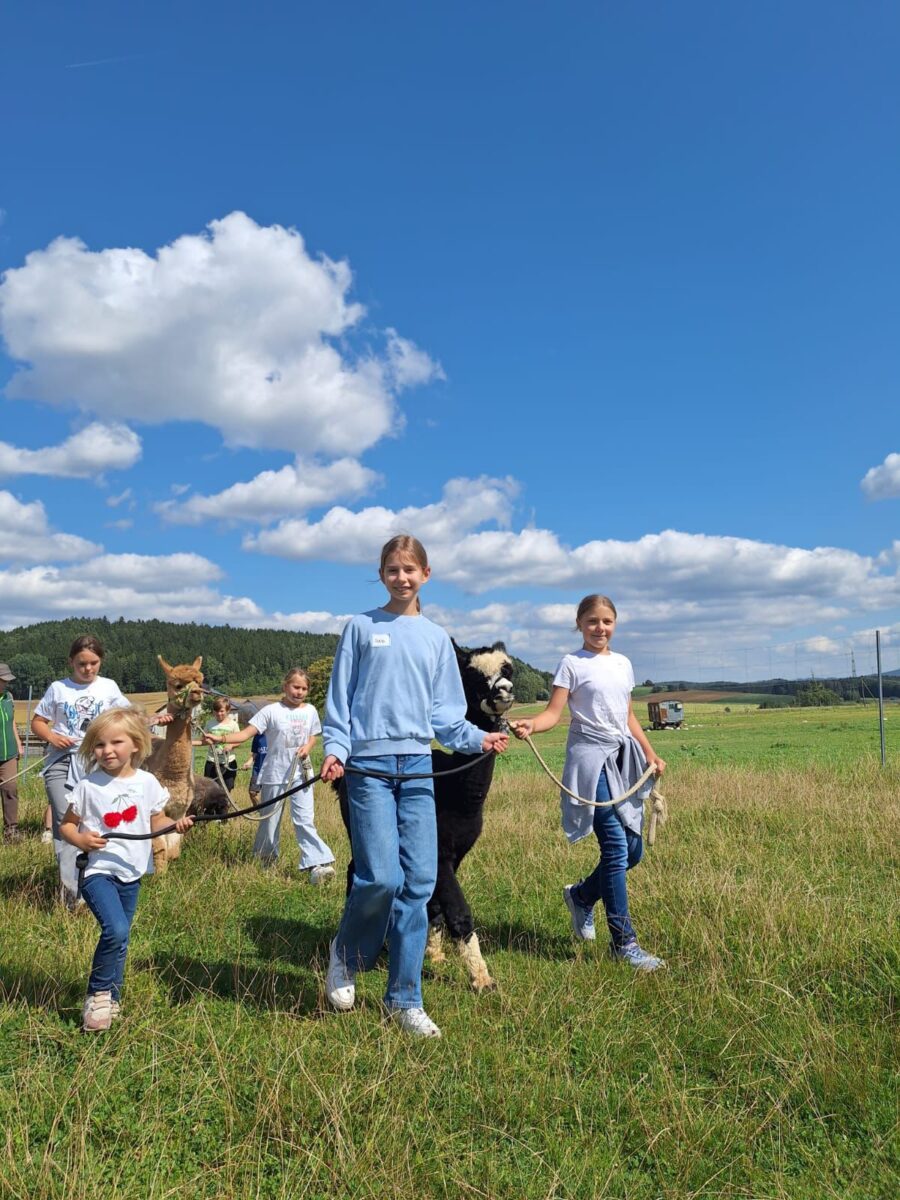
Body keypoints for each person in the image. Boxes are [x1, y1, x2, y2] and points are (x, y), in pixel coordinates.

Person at [320, 534, 509, 1038]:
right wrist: (336, 750)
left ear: (426, 574)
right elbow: (339, 701)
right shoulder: (361, 627)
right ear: (381, 574)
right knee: (380, 877)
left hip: (417, 765)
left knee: (420, 882)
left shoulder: (434, 638)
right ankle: (347, 951)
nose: (401, 577)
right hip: (368, 766)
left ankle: (405, 999)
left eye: (410, 569)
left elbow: (446, 718)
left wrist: (479, 738)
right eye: (392, 569)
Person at [512, 594, 666, 971]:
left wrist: (650, 752)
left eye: (607, 621)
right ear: (579, 624)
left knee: (633, 852)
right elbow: (553, 713)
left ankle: (581, 897)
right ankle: (624, 944)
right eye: (592, 621)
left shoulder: (623, 664)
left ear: (615, 624)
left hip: (622, 758)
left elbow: (627, 715)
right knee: (615, 846)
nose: (600, 628)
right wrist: (531, 724)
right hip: (589, 762)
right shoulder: (571, 664)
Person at [59, 707, 193, 1031]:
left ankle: (112, 998)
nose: (106, 751)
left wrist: (175, 824)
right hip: (97, 872)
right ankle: (98, 994)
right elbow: (66, 827)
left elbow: (155, 821)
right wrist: (81, 839)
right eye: (99, 745)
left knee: (121, 937)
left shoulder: (146, 783)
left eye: (115, 742)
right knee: (115, 930)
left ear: (135, 744)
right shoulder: (88, 786)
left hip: (132, 872)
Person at [206, 669, 335, 882]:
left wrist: (307, 747)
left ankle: (317, 864)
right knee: (270, 821)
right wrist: (221, 739)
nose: (300, 692)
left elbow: (312, 736)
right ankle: (265, 861)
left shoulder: (310, 710)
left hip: (300, 773)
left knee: (304, 819)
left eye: (304, 688)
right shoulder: (271, 711)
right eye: (296, 687)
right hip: (275, 774)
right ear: (285, 686)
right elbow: (246, 734)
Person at [31, 635, 130, 907]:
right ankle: (72, 895)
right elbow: (37, 722)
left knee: (94, 821)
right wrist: (51, 737)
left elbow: (129, 715)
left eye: (93, 663)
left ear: (101, 661)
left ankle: (97, 885)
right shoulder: (58, 688)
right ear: (71, 662)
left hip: (96, 761)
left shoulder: (109, 687)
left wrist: (160, 716)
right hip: (62, 761)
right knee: (67, 823)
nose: (88, 669)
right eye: (81, 664)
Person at [0, 663, 24, 843]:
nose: (6, 684)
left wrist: (18, 744)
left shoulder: (8, 697)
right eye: (3, 681)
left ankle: (11, 831)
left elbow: (12, 722)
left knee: (10, 789)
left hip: (9, 755)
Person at [196, 697, 239, 792]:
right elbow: (204, 740)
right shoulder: (210, 723)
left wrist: (231, 745)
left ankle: (224, 806)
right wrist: (190, 743)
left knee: (227, 789)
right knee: (209, 789)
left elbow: (239, 740)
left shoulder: (233, 725)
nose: (219, 714)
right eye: (216, 711)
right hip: (212, 762)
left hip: (228, 762)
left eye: (222, 711)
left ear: (228, 710)